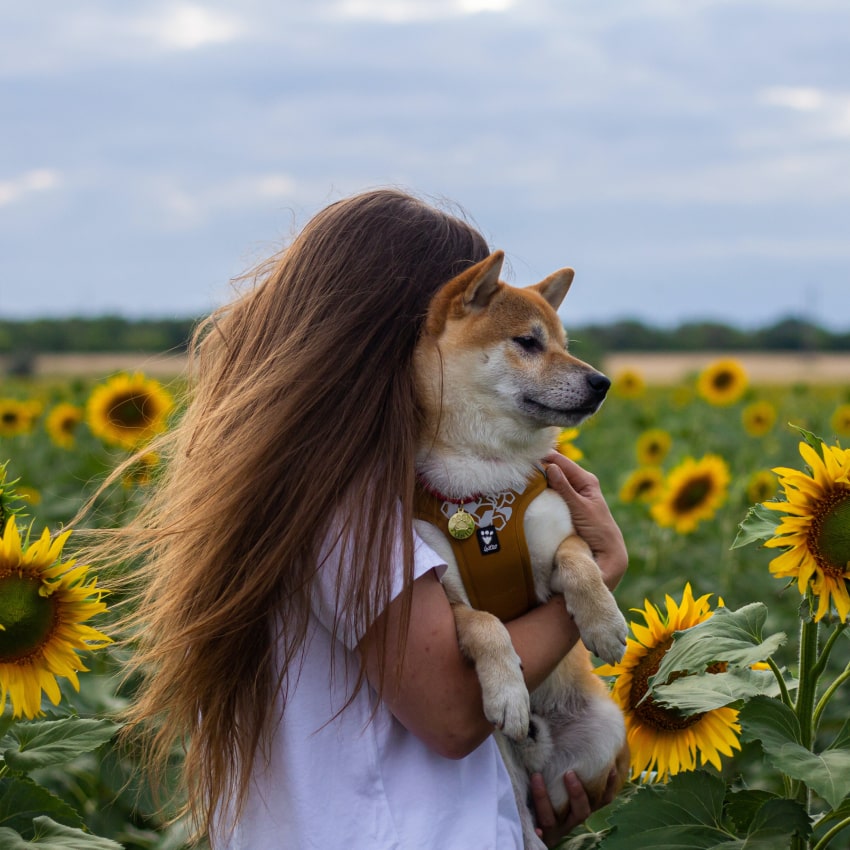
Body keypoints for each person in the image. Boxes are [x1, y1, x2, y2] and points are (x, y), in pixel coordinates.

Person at [103, 189, 628, 848]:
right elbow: (450, 714)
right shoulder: (346, 500)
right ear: (397, 333)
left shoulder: (289, 482)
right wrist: (600, 569)